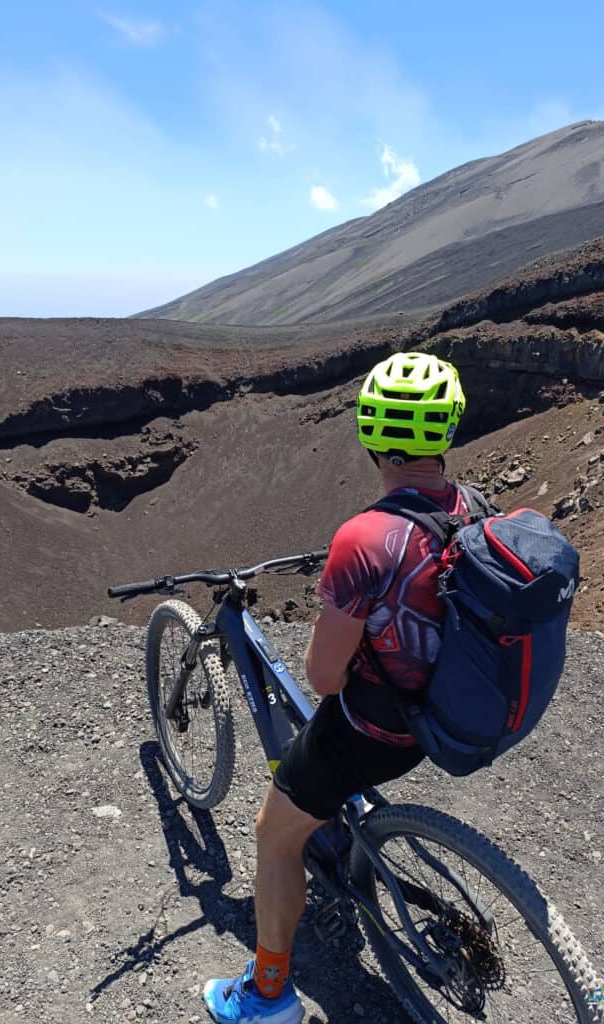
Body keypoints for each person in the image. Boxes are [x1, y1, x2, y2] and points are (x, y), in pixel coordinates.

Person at [203, 352, 472, 1024]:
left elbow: (323, 678)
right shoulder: (474, 509)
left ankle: (268, 997)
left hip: (376, 732)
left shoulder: (364, 539)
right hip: (441, 718)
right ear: (448, 430)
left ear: (371, 433)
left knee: (273, 834)